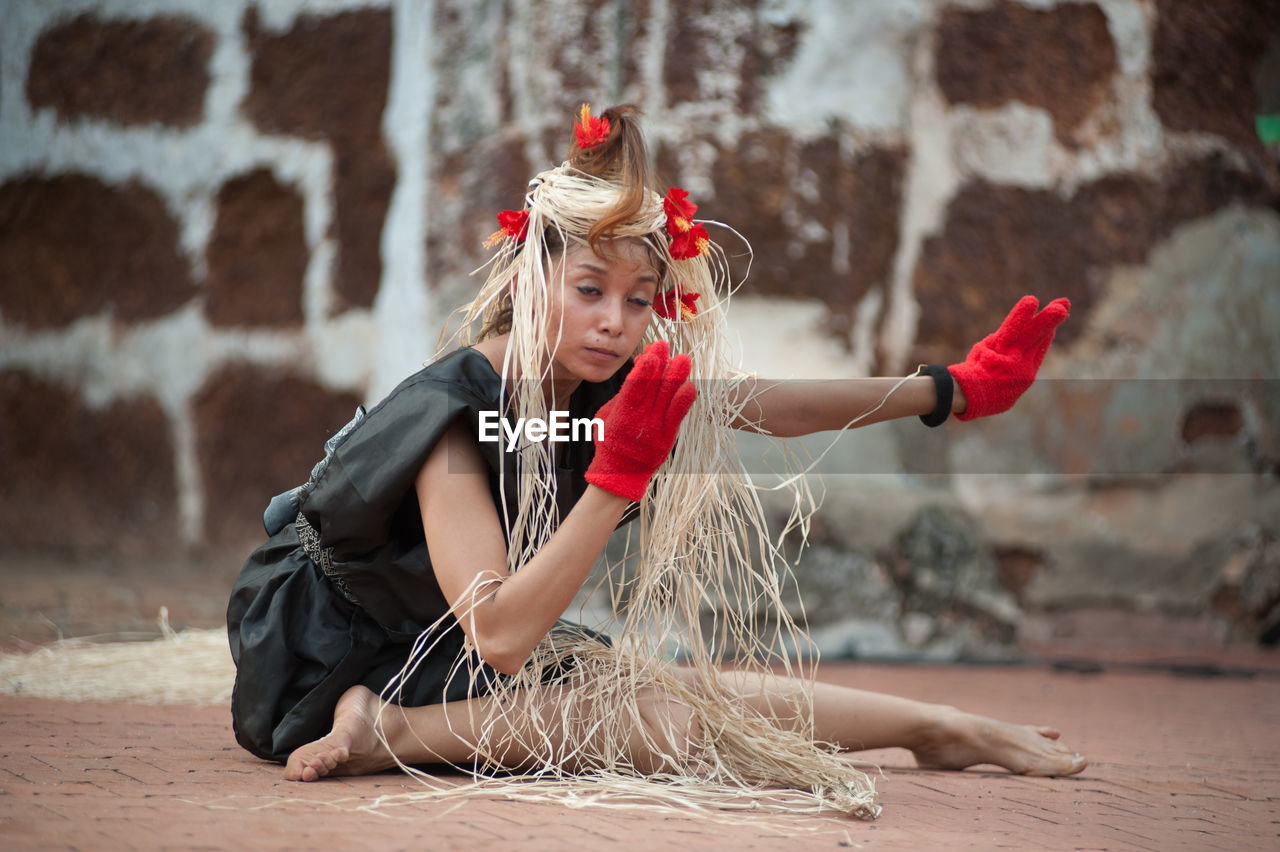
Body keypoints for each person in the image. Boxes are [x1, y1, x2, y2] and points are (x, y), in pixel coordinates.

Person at [227, 104, 1084, 818]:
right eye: (589, 290)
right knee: (642, 723)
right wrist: (615, 482)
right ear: (531, 284)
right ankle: (388, 734)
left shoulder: (605, 380)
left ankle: (933, 724)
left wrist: (947, 389)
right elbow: (502, 637)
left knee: (678, 694)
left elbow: (760, 405)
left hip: (436, 641)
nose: (616, 321)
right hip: (329, 650)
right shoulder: (452, 417)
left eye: (640, 302)